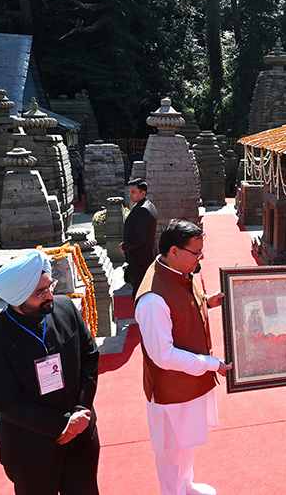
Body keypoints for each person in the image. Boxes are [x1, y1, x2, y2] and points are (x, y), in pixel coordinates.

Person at [0, 250, 100, 495]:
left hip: (81, 433)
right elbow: (8, 404)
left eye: (49, 285)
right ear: (16, 298)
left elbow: (90, 356)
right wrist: (63, 424)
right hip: (31, 448)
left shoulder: (65, 309)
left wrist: (81, 409)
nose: (49, 295)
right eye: (39, 293)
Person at [135, 219, 232, 495]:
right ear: (174, 251)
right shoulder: (153, 298)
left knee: (189, 442)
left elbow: (185, 308)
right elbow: (163, 356)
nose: (200, 258)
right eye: (196, 252)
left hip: (194, 381)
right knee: (170, 452)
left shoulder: (180, 271)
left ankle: (186, 486)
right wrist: (212, 364)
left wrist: (208, 301)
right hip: (171, 390)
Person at [121, 177, 158, 300]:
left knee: (140, 290)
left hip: (141, 257)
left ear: (143, 193)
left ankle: (141, 314)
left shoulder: (143, 210)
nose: (130, 195)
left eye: (133, 192)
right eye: (129, 192)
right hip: (145, 255)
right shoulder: (147, 205)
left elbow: (140, 237)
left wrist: (125, 247)